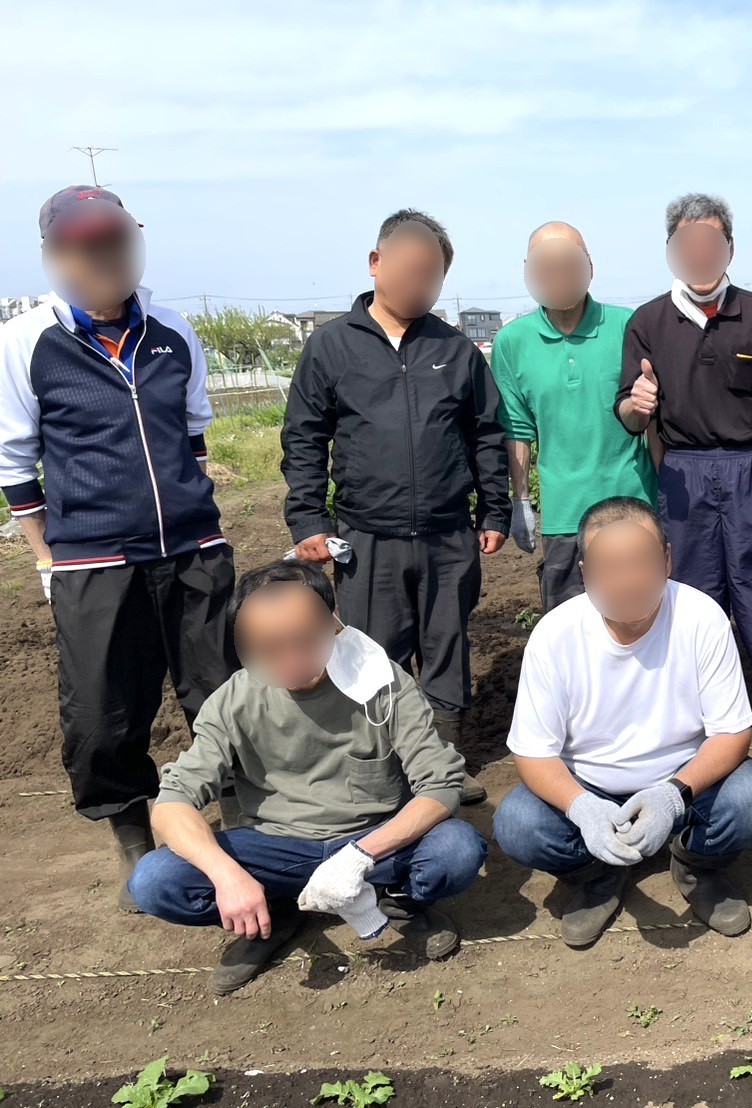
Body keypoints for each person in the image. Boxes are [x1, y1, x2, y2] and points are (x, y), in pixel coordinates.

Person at [0, 185, 236, 912]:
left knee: (223, 688)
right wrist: (47, 560)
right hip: (93, 560)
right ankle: (131, 825)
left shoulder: (172, 330)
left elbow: (193, 436)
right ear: (56, 255)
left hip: (193, 548)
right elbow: (16, 466)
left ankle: (244, 808)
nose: (104, 258)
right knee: (104, 707)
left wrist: (195, 504)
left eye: (115, 242)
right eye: (86, 247)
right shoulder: (27, 341)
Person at [128, 562, 486, 995]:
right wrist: (228, 876)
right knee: (155, 881)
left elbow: (441, 785)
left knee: (456, 850)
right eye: (270, 647)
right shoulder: (233, 701)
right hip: (277, 847)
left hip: (374, 842)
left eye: (304, 640)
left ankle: (398, 898)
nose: (291, 660)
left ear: (332, 624)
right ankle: (274, 913)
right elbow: (172, 803)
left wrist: (359, 856)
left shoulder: (381, 684)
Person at [281, 209, 510, 803]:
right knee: (369, 655)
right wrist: (309, 519)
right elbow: (304, 438)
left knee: (447, 648)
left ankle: (445, 764)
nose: (419, 285)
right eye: (410, 270)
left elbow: (487, 433)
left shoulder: (454, 350)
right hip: (367, 537)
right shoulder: (331, 347)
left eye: (432, 276)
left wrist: (495, 511)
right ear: (376, 263)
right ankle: (383, 769)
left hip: (447, 534)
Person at [494, 496, 752, 948]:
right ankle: (598, 872)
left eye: (640, 563)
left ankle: (696, 863)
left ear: (666, 559)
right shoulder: (555, 635)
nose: (627, 581)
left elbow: (731, 733)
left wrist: (672, 795)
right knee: (518, 824)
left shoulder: (701, 617)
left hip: (684, 780)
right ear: (585, 572)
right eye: (609, 568)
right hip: (590, 783)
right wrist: (583, 808)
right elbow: (533, 753)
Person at [614, 193, 752, 668]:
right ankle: (698, 694)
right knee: (691, 592)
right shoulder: (648, 321)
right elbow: (630, 415)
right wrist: (638, 404)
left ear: (729, 249)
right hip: (684, 472)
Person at [493, 221, 658, 612]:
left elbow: (652, 417)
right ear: (529, 271)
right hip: (564, 513)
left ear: (589, 267)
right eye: (546, 266)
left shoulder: (628, 325)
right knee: (570, 623)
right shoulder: (512, 342)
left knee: (641, 615)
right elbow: (517, 429)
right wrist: (521, 501)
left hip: (633, 502)